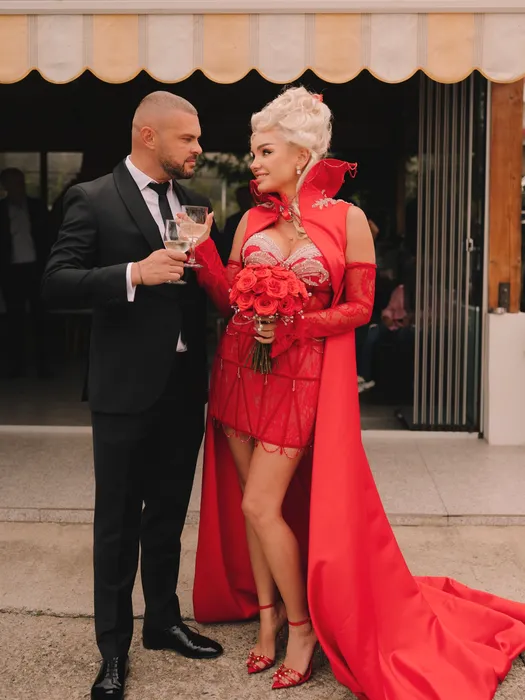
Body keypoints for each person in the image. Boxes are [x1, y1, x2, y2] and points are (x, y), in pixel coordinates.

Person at [190, 87, 525, 697]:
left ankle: (301, 630)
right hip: (238, 370)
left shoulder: (347, 219)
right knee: (250, 508)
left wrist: (295, 324)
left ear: (301, 155)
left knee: (262, 505)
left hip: (301, 379)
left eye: (264, 151)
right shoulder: (250, 219)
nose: (253, 162)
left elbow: (361, 308)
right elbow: (229, 298)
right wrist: (204, 254)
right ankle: (267, 619)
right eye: (253, 151)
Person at [42, 91, 223, 700]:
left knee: (168, 514)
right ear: (149, 135)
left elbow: (207, 289)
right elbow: (56, 283)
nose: (198, 148)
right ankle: (113, 650)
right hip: (123, 388)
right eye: (188, 138)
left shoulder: (195, 206)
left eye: (197, 138)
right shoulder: (92, 198)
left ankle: (163, 622)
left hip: (183, 387)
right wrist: (133, 274)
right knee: (117, 522)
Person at [0, 168, 52, 378]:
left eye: (20, 182)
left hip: (36, 268)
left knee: (41, 317)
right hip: (11, 271)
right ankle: (16, 366)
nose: (18, 187)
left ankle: (44, 365)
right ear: (5, 186)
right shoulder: (2, 210)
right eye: (13, 183)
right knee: (15, 319)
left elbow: (48, 235)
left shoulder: (36, 207)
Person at [216, 184, 252, 264]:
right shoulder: (232, 220)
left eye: (245, 197)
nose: (243, 200)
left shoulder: (259, 218)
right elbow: (226, 244)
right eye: (240, 198)